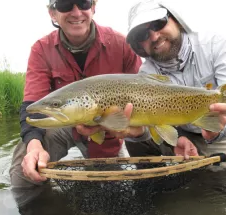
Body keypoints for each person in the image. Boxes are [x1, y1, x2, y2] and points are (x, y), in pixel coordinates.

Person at [9, 0, 144, 212]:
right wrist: (34, 145)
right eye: (65, 4)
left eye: (83, 3)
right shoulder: (41, 49)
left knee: (112, 191)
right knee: (23, 171)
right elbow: (32, 106)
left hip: (109, 131)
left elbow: (144, 90)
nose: (76, 12)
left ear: (94, 7)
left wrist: (135, 128)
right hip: (63, 125)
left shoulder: (121, 44)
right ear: (53, 13)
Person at [125, 0, 226, 172]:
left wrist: (218, 127)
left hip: (221, 132)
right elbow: (154, 123)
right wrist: (175, 141)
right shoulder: (146, 74)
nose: (154, 36)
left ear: (176, 20)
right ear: (138, 44)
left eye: (158, 24)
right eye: (142, 35)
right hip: (179, 132)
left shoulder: (215, 45)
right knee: (137, 138)